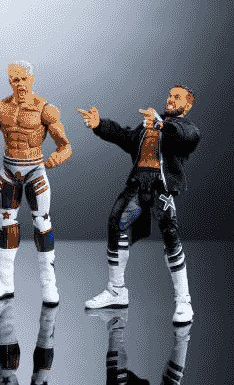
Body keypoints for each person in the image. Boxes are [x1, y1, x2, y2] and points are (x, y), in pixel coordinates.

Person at [79, 85, 200, 324]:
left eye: (177, 97)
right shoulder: (148, 126)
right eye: (170, 95)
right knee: (116, 225)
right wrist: (100, 124)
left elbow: (187, 137)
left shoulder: (183, 128)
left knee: (170, 236)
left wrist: (161, 126)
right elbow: (126, 138)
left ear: (187, 106)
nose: (171, 99)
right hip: (137, 185)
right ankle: (116, 290)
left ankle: (183, 301)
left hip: (160, 188)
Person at [0, 61, 71, 306]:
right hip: (9, 171)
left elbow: (65, 146)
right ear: (9, 81)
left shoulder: (45, 109)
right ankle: (4, 281)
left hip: (35, 170)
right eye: (16, 79)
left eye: (24, 79)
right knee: (6, 224)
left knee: (42, 223)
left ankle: (49, 283)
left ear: (32, 79)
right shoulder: (0, 108)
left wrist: (58, 157)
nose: (21, 84)